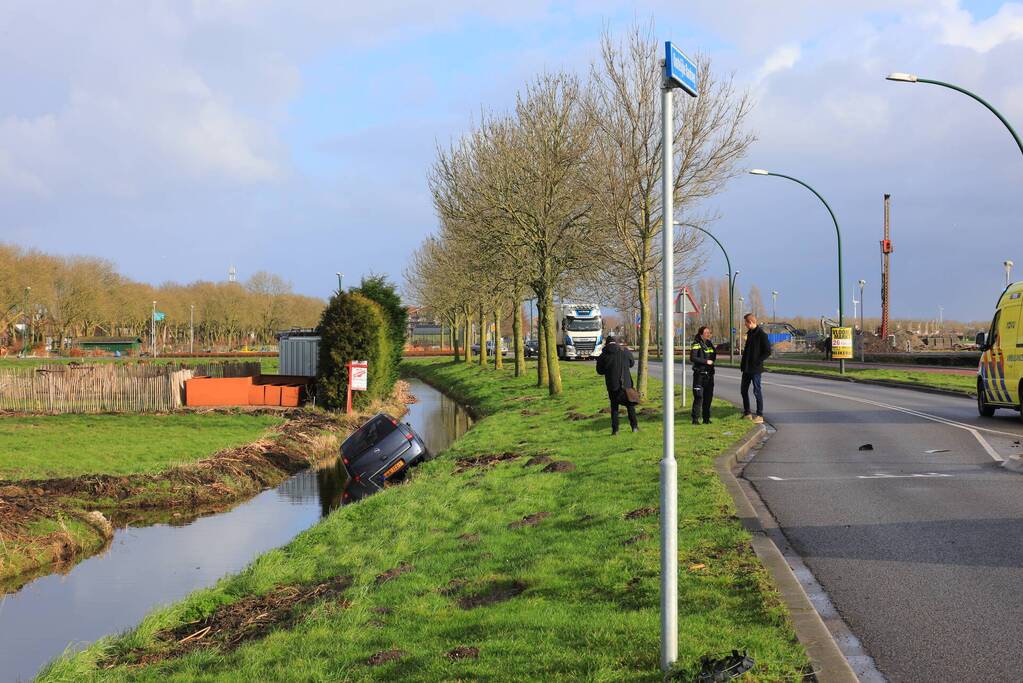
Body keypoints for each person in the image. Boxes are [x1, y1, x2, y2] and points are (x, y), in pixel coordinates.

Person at [595, 335, 638, 435]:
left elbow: (599, 371)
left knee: (614, 408)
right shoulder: (625, 351)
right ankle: (634, 427)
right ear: (616, 342)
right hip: (626, 385)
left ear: (607, 344)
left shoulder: (603, 355)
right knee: (630, 406)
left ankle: (615, 430)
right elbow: (632, 363)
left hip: (612, 386)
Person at [740, 313, 772, 423]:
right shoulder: (749, 334)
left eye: (745, 323)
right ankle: (747, 413)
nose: (745, 325)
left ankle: (759, 415)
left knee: (757, 390)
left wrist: (757, 361)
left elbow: (767, 351)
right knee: (743, 390)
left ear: (750, 322)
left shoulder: (761, 335)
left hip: (755, 369)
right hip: (746, 368)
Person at [690, 325, 716, 425]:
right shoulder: (696, 343)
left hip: (709, 375)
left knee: (708, 397)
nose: (708, 334)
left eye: (709, 333)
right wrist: (706, 362)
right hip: (699, 375)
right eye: (706, 333)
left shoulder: (710, 343)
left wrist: (711, 362)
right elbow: (693, 358)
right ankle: (695, 419)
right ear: (701, 334)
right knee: (698, 397)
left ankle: (706, 419)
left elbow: (713, 356)